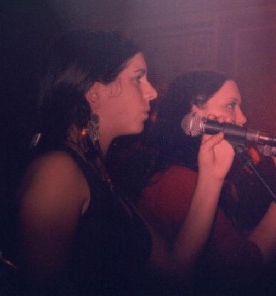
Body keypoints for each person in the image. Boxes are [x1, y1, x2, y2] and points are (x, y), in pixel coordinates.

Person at [15, 31, 237, 295]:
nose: (152, 92)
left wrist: (212, 177)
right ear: (95, 92)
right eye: (138, 78)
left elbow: (175, 268)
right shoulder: (57, 171)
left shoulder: (99, 172)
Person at [137, 70, 276, 295]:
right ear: (196, 116)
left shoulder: (198, 174)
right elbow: (241, 269)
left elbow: (234, 247)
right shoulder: (180, 181)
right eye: (231, 105)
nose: (242, 119)